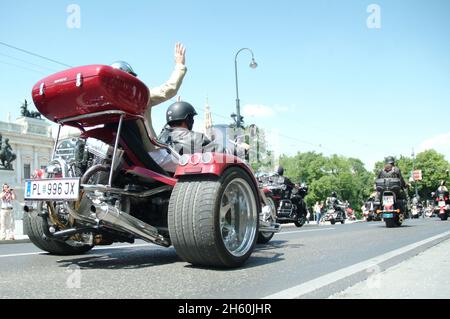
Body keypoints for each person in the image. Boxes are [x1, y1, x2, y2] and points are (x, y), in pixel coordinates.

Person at [111, 42, 187, 137]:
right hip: (147, 150)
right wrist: (180, 65)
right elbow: (169, 89)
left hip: (116, 149)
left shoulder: (107, 104)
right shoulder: (139, 96)